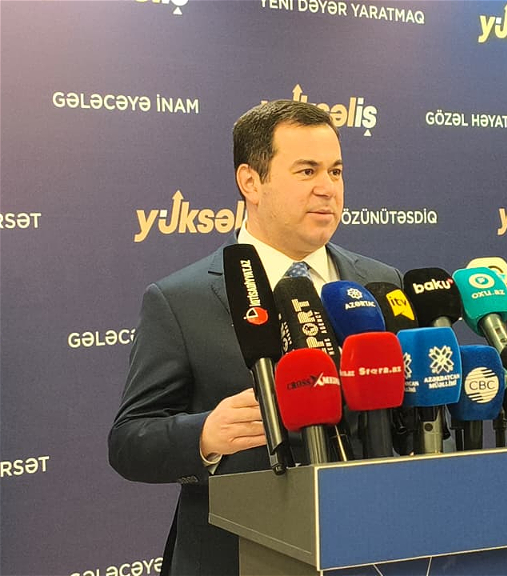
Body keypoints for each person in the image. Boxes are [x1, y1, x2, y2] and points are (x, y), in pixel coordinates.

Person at [108, 100, 402, 576]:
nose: (327, 188)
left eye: (336, 171)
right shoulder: (180, 298)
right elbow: (129, 441)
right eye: (306, 171)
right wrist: (205, 435)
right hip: (238, 556)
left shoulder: (381, 283)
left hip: (369, 551)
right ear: (250, 182)